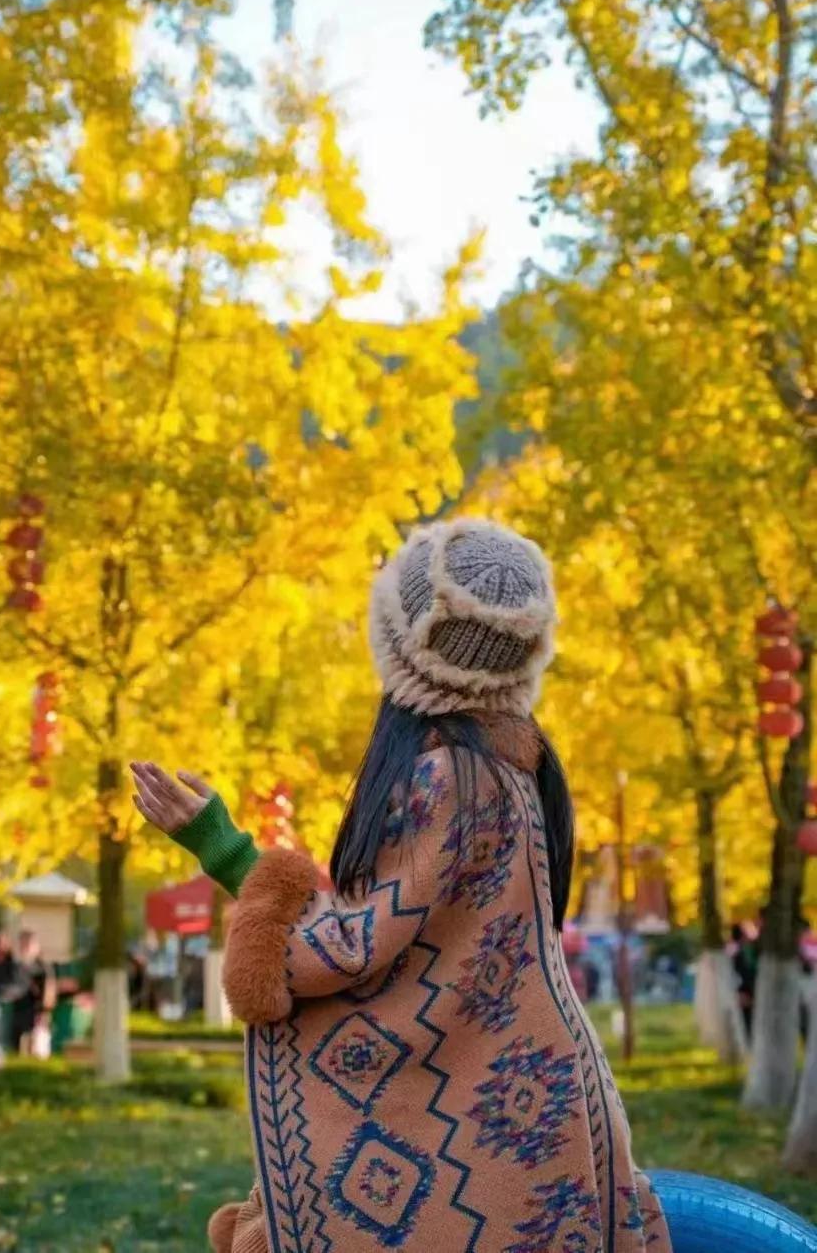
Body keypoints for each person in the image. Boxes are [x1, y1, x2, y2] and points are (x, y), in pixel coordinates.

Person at [133, 518, 671, 1253]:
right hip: (552, 1114)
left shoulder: (448, 777)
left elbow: (350, 950)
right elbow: (415, 944)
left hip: (499, 1145)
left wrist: (221, 848)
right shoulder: (519, 768)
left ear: (405, 648)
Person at [3, 929, 54, 1056]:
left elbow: (48, 992)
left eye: (28, 944)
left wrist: (44, 1012)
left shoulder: (43, 968)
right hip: (17, 1014)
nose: (25, 948)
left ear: (36, 947)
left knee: (36, 1049)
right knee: (15, 1048)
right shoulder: (14, 967)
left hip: (36, 1015)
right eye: (22, 944)